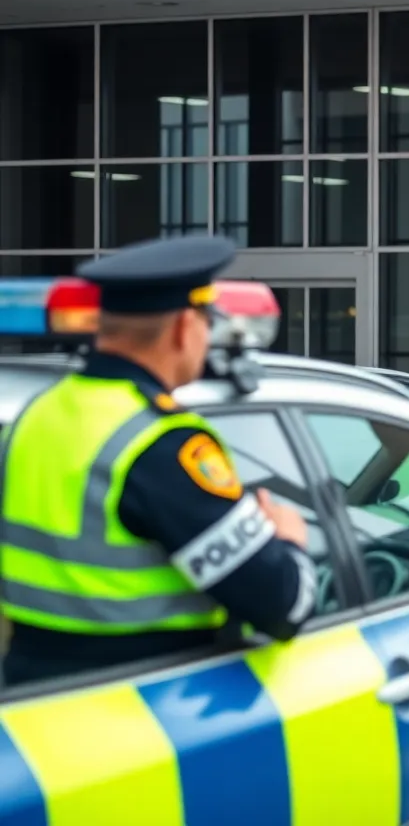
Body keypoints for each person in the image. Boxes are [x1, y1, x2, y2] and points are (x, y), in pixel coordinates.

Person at [0, 235, 317, 687]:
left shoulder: (35, 416)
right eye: (207, 321)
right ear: (184, 328)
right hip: (147, 708)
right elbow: (283, 607)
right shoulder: (160, 444)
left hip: (29, 705)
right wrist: (290, 540)